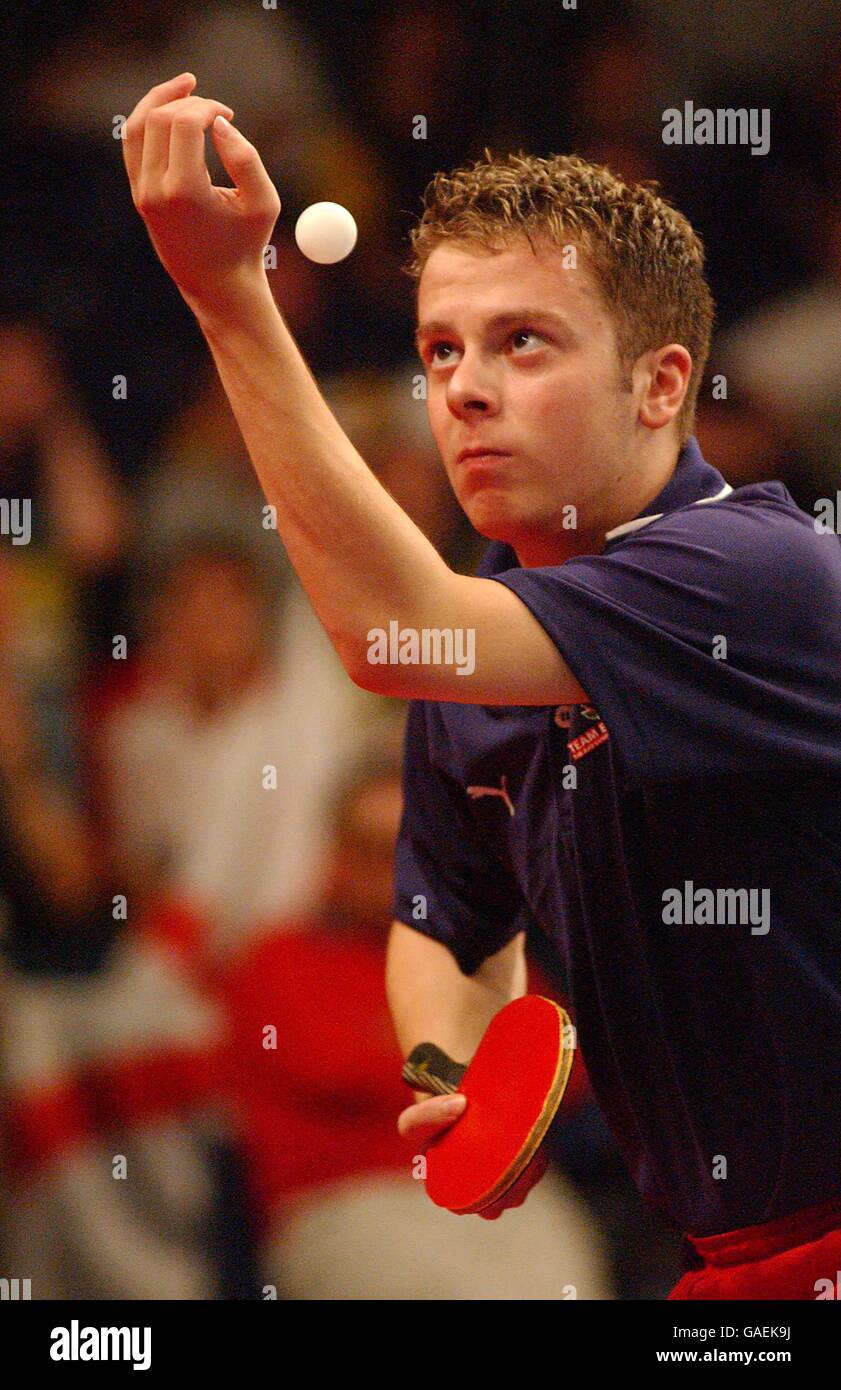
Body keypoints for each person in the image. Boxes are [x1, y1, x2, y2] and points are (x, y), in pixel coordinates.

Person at [121, 74, 841, 1300]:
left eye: (522, 342)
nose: (460, 388)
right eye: (440, 349)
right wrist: (448, 1072)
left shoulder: (753, 578)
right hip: (733, 1266)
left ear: (662, 385)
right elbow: (446, 919)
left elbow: (397, 632)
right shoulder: (489, 658)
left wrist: (224, 293)